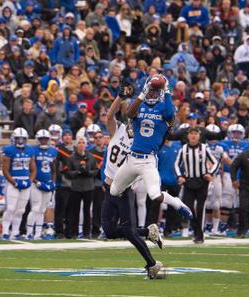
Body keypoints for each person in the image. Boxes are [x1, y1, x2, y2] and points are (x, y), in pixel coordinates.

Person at [109, 74, 193, 223]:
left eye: (155, 90)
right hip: (132, 158)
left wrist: (166, 90)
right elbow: (129, 113)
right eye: (150, 90)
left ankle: (177, 204)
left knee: (154, 194)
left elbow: (169, 114)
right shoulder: (139, 105)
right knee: (114, 190)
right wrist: (143, 92)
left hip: (148, 160)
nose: (152, 93)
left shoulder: (164, 108)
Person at [101, 86, 164, 280]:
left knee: (128, 232)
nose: (130, 124)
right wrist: (119, 97)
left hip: (123, 190)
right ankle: (148, 231)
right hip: (108, 187)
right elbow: (109, 117)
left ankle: (152, 265)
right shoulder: (118, 130)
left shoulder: (140, 146)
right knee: (109, 231)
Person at [174, 128, 220, 243]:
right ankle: (197, 231)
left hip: (202, 182)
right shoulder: (183, 149)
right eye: (191, 134)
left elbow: (215, 162)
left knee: (200, 209)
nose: (193, 136)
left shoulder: (204, 148)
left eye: (195, 134)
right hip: (188, 182)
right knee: (188, 209)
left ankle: (199, 235)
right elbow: (176, 164)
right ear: (188, 136)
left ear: (199, 136)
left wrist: (210, 173)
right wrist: (180, 176)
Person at [1, 128, 36, 240]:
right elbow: (5, 170)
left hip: (25, 181)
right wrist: (14, 183)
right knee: (10, 208)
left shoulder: (30, 150)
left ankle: (15, 232)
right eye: (18, 139)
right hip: (13, 181)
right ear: (13, 139)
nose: (20, 141)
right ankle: (5, 231)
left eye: (22, 139)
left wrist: (30, 181)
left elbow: (33, 169)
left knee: (21, 210)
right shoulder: (9, 149)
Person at [26, 129, 57, 240]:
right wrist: (35, 181)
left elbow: (54, 169)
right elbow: (30, 169)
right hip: (36, 183)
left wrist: (52, 182)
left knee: (42, 209)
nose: (43, 141)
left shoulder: (53, 151)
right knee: (35, 208)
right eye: (41, 139)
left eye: (45, 139)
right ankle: (29, 232)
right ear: (38, 140)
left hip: (47, 183)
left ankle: (38, 233)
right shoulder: (33, 150)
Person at [65, 136, 98, 239]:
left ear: (86, 144)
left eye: (83, 142)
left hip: (89, 187)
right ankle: (74, 232)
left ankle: (86, 232)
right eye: (79, 142)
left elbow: (96, 170)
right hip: (76, 187)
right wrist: (77, 172)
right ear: (76, 144)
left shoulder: (91, 157)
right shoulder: (72, 157)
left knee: (87, 211)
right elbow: (67, 172)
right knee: (75, 211)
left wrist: (88, 172)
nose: (81, 144)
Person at [219, 124, 249, 235]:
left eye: (239, 133)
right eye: (234, 132)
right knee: (226, 200)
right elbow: (225, 158)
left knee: (239, 202)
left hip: (242, 175)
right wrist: (235, 167)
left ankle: (238, 226)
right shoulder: (225, 143)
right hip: (228, 174)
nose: (236, 135)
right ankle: (222, 226)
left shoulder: (246, 145)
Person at [204, 124, 227, 236]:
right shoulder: (203, 146)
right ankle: (207, 225)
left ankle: (215, 228)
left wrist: (222, 177)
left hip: (216, 176)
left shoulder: (221, 147)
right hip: (206, 176)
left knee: (216, 204)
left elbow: (223, 163)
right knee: (206, 203)